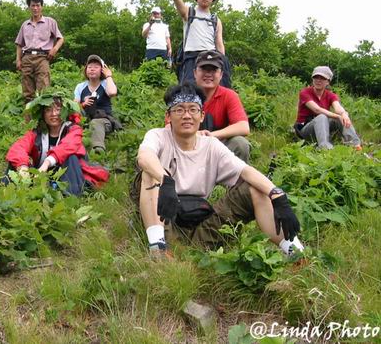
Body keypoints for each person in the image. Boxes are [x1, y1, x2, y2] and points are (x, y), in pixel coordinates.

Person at [137, 82, 304, 257]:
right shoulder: (157, 135)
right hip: (163, 220)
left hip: (201, 225)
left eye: (193, 109)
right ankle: (158, 250)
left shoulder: (211, 145)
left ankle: (295, 252)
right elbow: (144, 156)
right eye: (179, 110)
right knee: (149, 173)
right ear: (168, 116)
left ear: (202, 116)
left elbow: (245, 171)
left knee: (256, 188)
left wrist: (277, 195)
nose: (187, 116)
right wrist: (166, 181)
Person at [5, 91, 109, 196]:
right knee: (16, 161)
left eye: (58, 109)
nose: (54, 114)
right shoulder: (36, 133)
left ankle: (69, 196)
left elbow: (67, 146)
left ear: (65, 112)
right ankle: (11, 193)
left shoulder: (73, 130)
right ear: (43, 114)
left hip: (69, 176)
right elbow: (18, 147)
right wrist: (23, 167)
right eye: (48, 110)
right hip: (41, 175)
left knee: (71, 156)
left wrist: (46, 163)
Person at [155, 0, 231, 87]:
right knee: (189, 92)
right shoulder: (189, 13)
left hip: (212, 59)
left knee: (216, 91)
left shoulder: (215, 20)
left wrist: (222, 63)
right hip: (191, 60)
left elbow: (219, 44)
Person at [194, 50, 251, 162]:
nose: (208, 74)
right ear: (195, 72)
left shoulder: (229, 95)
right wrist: (193, 136)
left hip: (219, 146)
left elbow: (243, 127)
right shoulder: (184, 94)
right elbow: (169, 128)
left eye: (213, 70)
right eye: (204, 69)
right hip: (188, 145)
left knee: (240, 144)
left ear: (221, 75)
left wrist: (210, 136)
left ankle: (237, 173)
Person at [294, 66, 362, 150]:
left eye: (322, 78)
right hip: (306, 130)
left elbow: (338, 108)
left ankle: (355, 145)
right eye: (316, 77)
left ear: (328, 81)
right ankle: (325, 147)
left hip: (323, 128)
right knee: (322, 116)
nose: (318, 80)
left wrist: (344, 114)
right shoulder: (305, 92)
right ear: (312, 79)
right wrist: (338, 116)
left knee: (343, 117)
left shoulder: (331, 95)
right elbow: (317, 109)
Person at [15, 0, 64, 103]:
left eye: (38, 5)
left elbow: (60, 39)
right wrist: (18, 59)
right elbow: (19, 44)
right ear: (29, 7)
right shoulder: (25, 25)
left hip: (42, 57)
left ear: (42, 6)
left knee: (44, 90)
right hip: (27, 57)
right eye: (33, 5)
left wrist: (54, 49)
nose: (35, 8)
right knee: (27, 91)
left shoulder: (50, 22)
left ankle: (44, 113)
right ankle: (28, 113)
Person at [73, 55, 120, 153]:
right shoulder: (80, 87)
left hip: (103, 119)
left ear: (102, 70)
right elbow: (74, 107)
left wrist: (108, 76)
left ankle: (98, 149)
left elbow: (112, 92)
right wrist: (83, 104)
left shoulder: (105, 83)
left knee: (96, 123)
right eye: (89, 67)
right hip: (85, 118)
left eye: (96, 67)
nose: (92, 69)